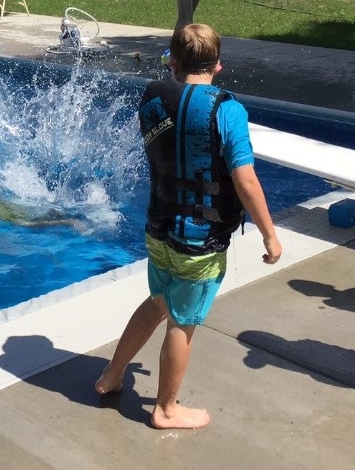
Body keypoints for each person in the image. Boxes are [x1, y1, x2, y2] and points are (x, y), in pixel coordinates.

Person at [93, 23, 283, 429]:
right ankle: (166, 409)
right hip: (199, 240)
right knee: (183, 321)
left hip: (158, 229)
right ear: (219, 66)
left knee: (159, 301)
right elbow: (244, 180)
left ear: (172, 63)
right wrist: (269, 233)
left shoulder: (152, 100)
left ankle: (111, 376)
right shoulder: (227, 110)